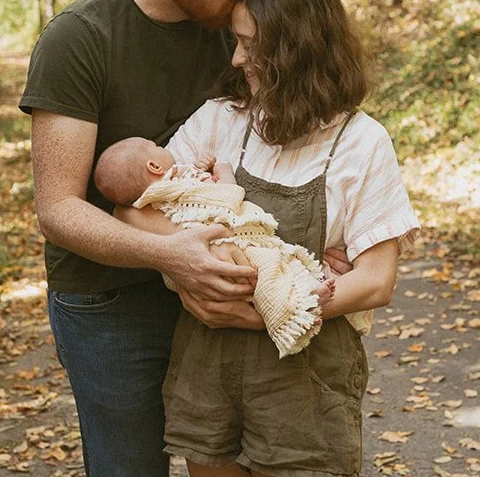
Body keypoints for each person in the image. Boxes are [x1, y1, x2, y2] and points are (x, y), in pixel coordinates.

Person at [134, 0, 420, 477]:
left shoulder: (360, 142)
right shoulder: (223, 124)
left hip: (303, 377)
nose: (235, 59)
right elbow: (137, 212)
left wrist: (283, 301)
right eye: (235, 41)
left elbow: (377, 278)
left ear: (296, 50)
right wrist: (195, 261)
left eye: (250, 44)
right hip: (207, 371)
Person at [20, 0, 270, 477]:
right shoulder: (81, 39)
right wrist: (168, 255)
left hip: (223, 295)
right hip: (110, 309)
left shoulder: (238, 25)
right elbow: (58, 208)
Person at [92, 136, 341, 356]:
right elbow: (226, 199)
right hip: (223, 249)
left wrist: (200, 169)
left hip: (203, 268)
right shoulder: (175, 189)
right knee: (270, 271)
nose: (162, 147)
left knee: (272, 272)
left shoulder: (154, 199)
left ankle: (302, 294)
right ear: (154, 166)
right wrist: (224, 172)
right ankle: (295, 310)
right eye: (155, 146)